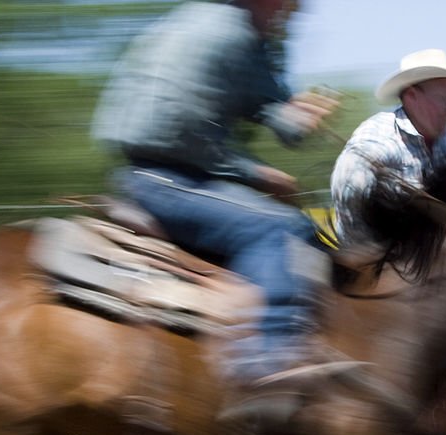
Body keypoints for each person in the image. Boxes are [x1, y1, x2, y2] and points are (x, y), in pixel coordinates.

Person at [92, 0, 339, 390]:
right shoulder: (227, 33)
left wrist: (294, 119)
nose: (293, 14)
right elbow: (180, 130)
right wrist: (256, 173)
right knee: (285, 228)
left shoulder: (225, 29)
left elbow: (267, 105)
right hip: (168, 181)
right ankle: (266, 360)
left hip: (161, 174)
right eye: (289, 6)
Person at [330, 48, 446, 349]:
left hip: (428, 278)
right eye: (443, 99)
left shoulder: (444, 146)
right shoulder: (378, 137)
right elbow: (348, 194)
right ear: (412, 96)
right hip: (376, 278)